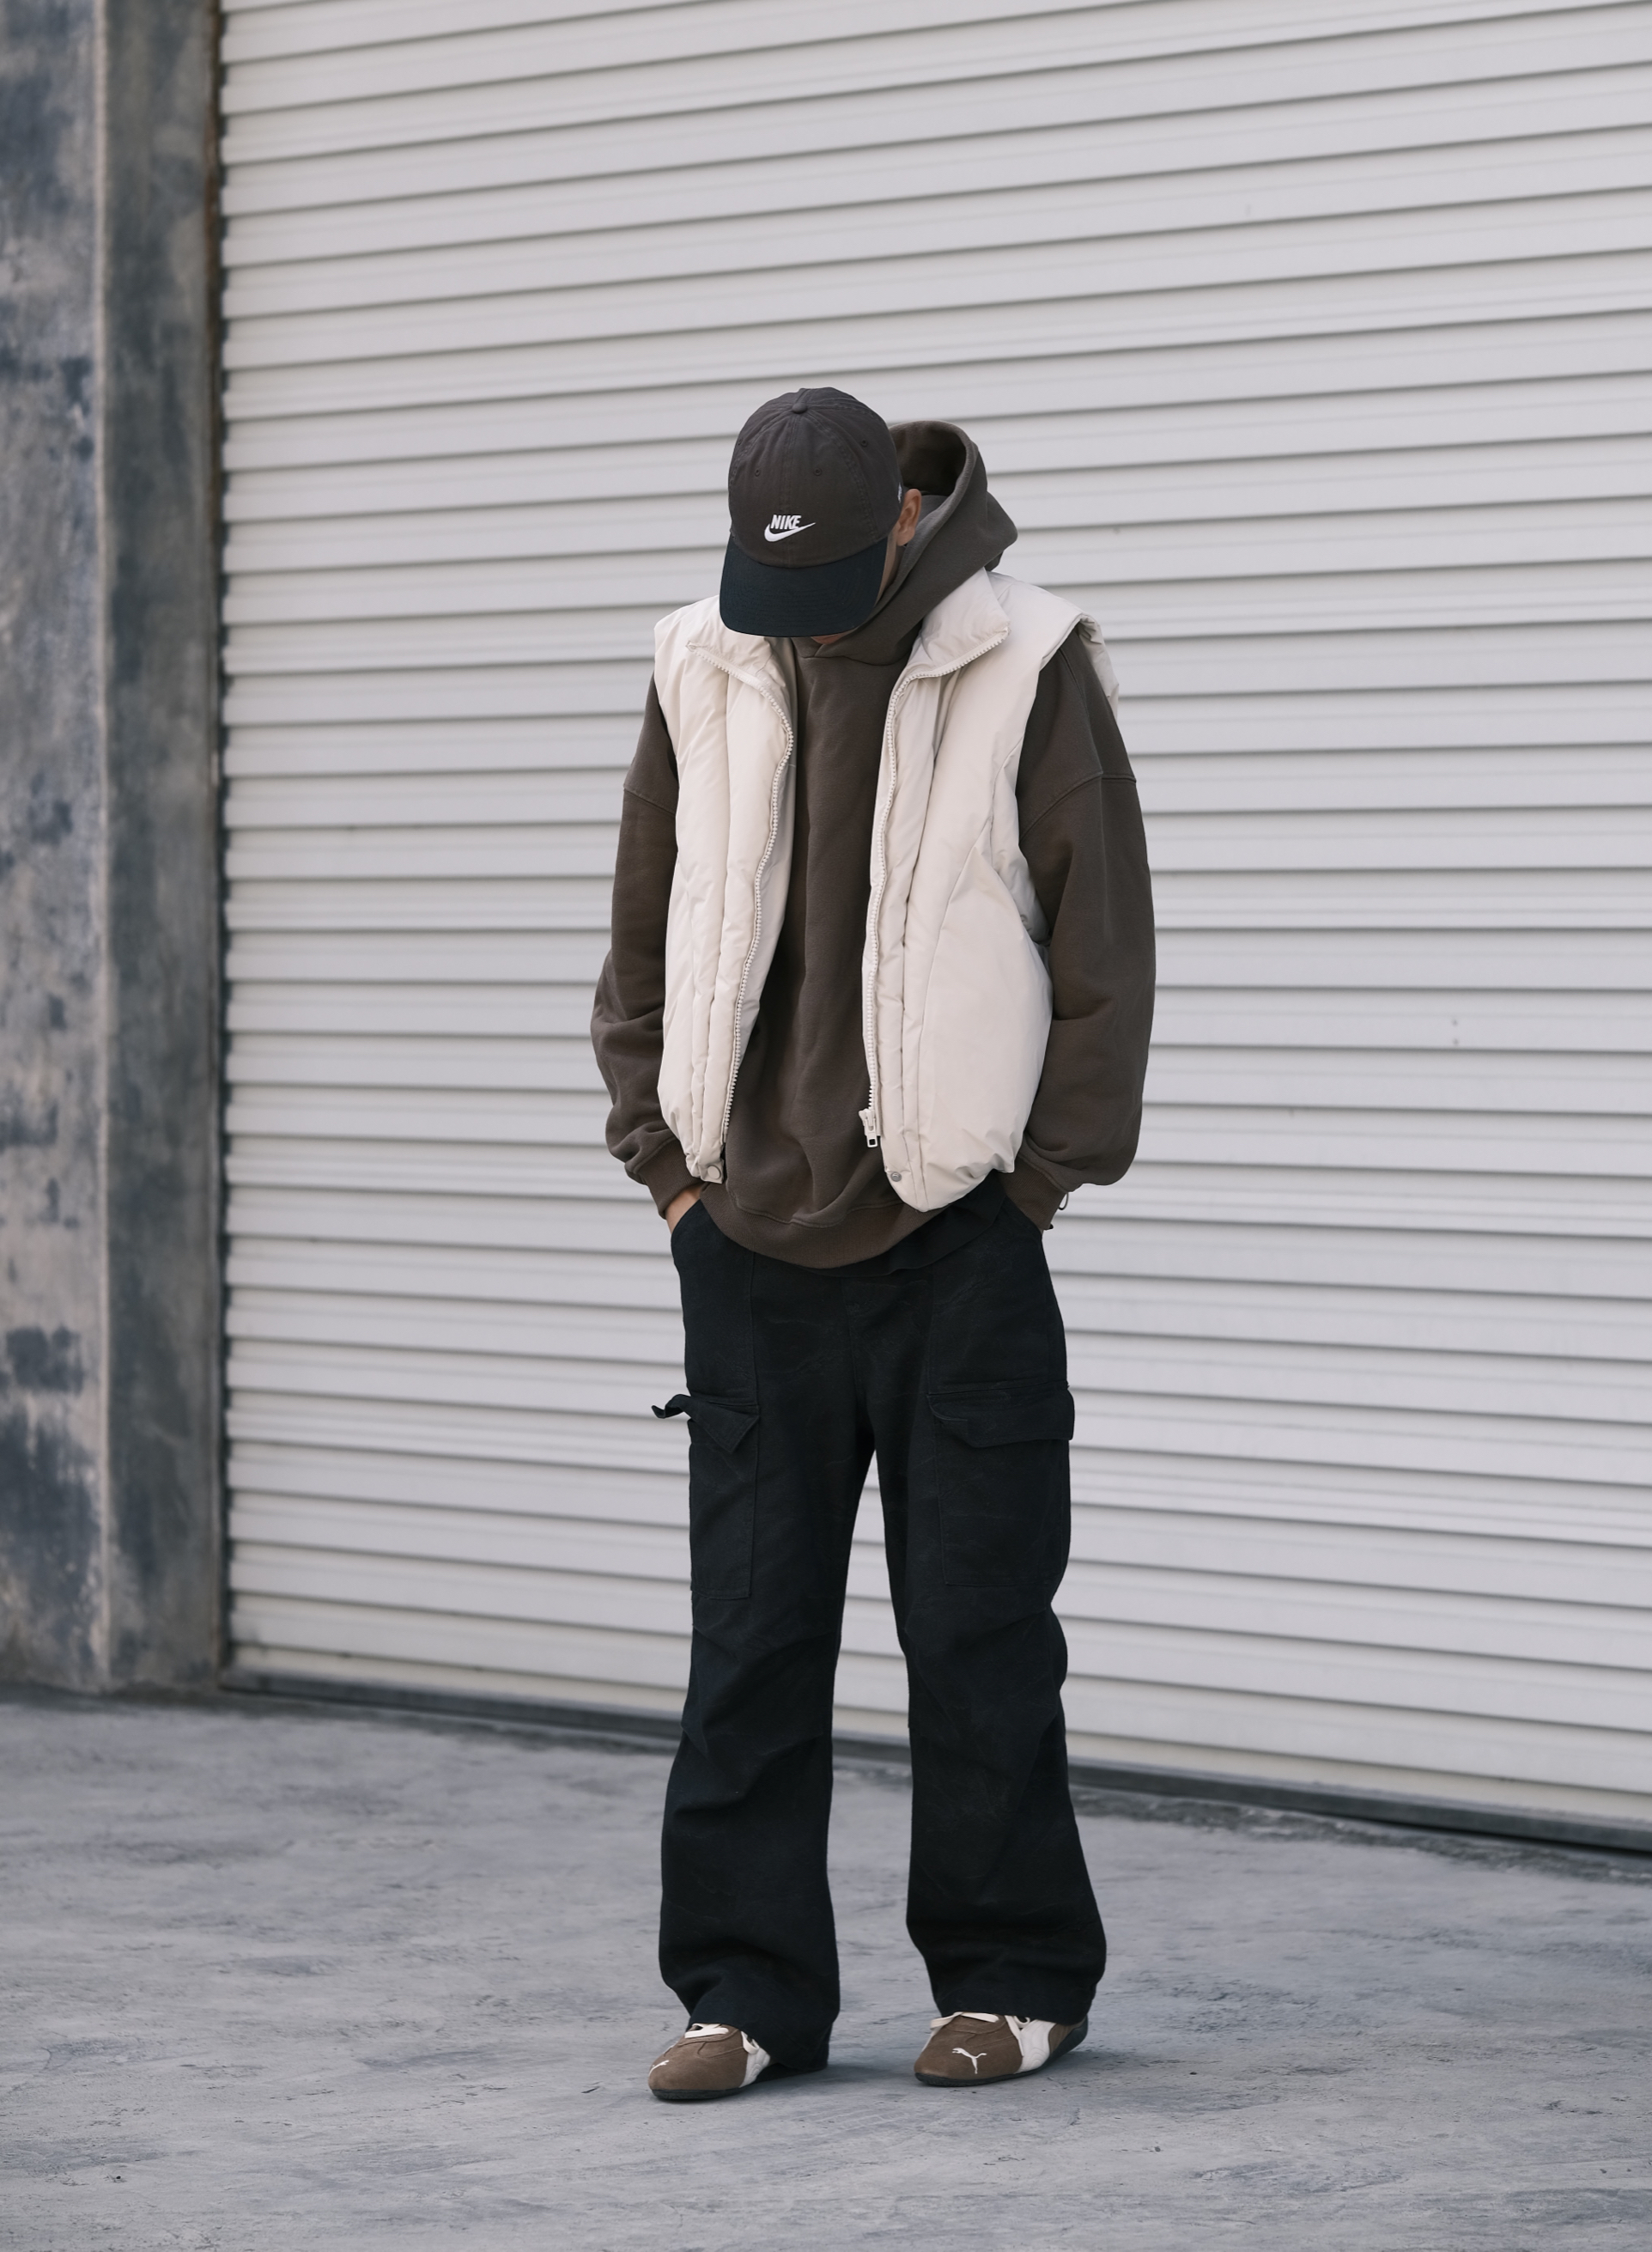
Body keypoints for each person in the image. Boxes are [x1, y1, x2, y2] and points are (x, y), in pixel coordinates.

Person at [592, 387, 1155, 2097]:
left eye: (827, 582)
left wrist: (1032, 1190)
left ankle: (1015, 1977)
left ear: (901, 523)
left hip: (954, 1238)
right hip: (748, 1242)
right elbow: (643, 919)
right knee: (748, 1644)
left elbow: (1105, 945)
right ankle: (746, 1991)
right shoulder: (702, 658)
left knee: (979, 1637)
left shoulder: (1023, 660)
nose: (801, 619)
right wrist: (668, 1173)